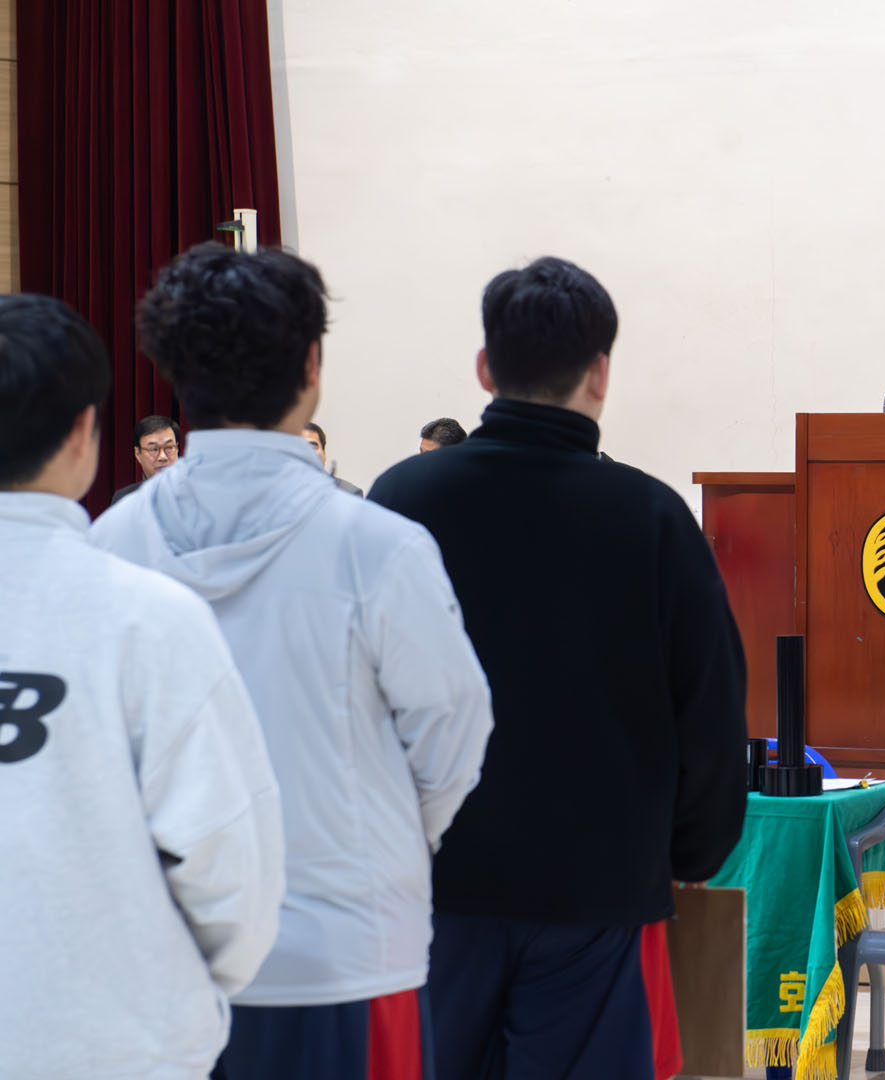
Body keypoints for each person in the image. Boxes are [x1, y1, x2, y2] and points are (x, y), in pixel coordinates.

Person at [92, 243, 494, 1080]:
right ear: (312, 366)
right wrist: (382, 838)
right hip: (348, 953)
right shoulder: (380, 546)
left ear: (174, 372)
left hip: (162, 956)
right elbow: (454, 733)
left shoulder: (114, 544)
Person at [369, 256, 747, 1079]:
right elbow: (712, 708)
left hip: (434, 886)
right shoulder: (651, 516)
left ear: (485, 368)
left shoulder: (402, 501)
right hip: (598, 890)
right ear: (600, 373)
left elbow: (354, 696)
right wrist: (688, 854)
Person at [0, 294, 284, 1078]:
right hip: (117, 1041)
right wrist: (179, 997)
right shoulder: (151, 617)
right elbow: (231, 867)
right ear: (84, 432)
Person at [110, 413, 181, 504]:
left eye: (169, 447)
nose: (162, 457)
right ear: (138, 453)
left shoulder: (195, 492)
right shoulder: (124, 498)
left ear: (177, 449)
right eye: (153, 449)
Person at [301, 420, 364, 495]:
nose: (307, 452)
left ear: (324, 454)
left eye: (312, 446)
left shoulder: (349, 492)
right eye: (299, 446)